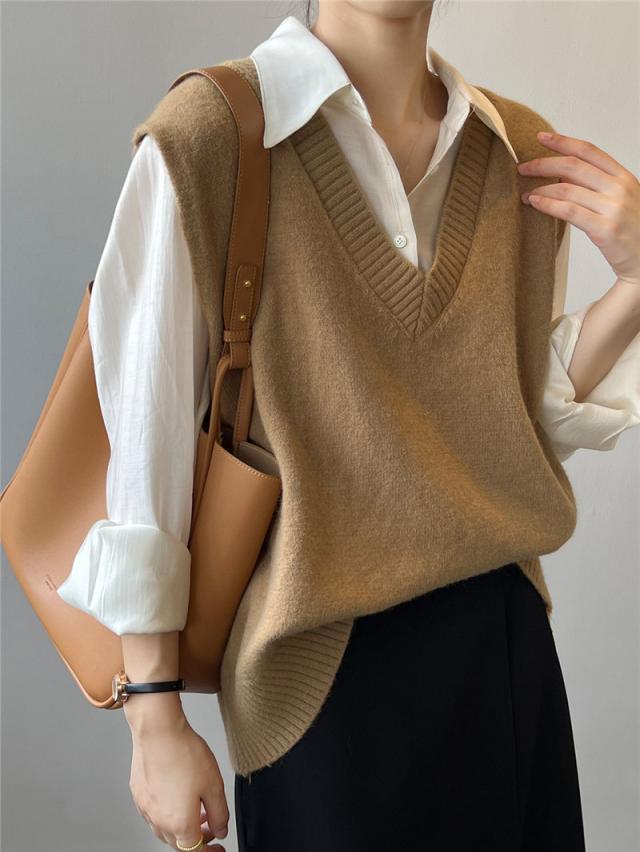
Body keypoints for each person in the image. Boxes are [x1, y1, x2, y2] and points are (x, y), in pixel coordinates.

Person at [55, 1, 640, 850]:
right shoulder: (213, 134)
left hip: (504, 655)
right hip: (315, 676)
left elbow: (510, 416)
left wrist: (635, 284)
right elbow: (148, 437)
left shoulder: (514, 148)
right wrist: (154, 719)